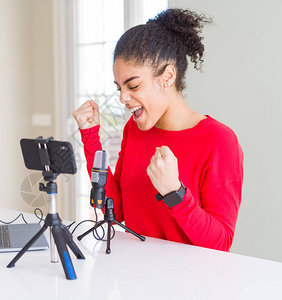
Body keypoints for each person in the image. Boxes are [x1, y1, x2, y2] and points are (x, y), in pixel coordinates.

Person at [72, 8, 243, 252]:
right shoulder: (135, 129)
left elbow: (220, 243)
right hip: (135, 278)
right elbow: (116, 209)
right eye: (119, 87)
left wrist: (174, 192)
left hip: (190, 285)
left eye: (133, 85)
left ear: (168, 76)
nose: (123, 98)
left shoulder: (219, 141)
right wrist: (90, 137)